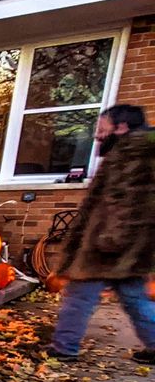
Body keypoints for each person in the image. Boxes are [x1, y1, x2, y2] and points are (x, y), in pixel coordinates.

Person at [49, 104, 155, 363]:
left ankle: (64, 347)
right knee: (134, 298)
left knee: (79, 297)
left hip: (109, 246)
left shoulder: (129, 156)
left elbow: (125, 202)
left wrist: (109, 241)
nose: (97, 135)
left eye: (101, 129)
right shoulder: (136, 152)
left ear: (121, 128)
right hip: (130, 248)